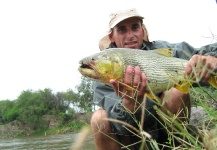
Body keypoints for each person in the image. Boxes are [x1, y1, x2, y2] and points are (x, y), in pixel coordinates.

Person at [90, 8, 217, 150]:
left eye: (135, 27)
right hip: (130, 140)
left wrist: (211, 58)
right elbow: (119, 126)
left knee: (177, 92)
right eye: (122, 30)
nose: (130, 35)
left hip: (167, 133)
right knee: (98, 119)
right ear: (112, 36)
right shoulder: (104, 73)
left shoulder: (163, 50)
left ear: (142, 30)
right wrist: (129, 103)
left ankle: (181, 147)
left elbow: (200, 53)